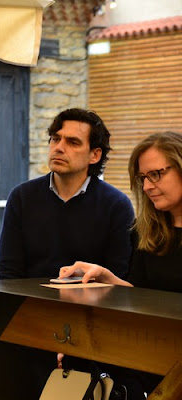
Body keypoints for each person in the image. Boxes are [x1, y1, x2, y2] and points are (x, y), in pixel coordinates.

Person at [59, 131, 182, 397]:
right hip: (154, 352)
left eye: (156, 174)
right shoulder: (146, 231)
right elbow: (141, 298)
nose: (147, 186)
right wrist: (106, 277)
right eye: (142, 178)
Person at [0, 108, 134, 280]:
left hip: (90, 297)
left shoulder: (116, 205)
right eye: (55, 139)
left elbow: (118, 278)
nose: (59, 148)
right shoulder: (22, 197)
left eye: (73, 142)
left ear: (95, 155)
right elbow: (7, 274)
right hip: (27, 297)